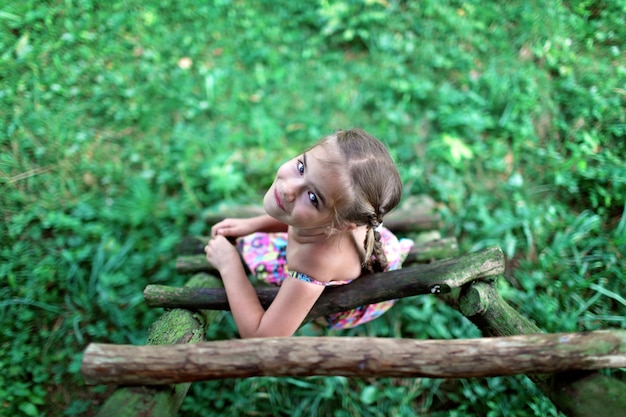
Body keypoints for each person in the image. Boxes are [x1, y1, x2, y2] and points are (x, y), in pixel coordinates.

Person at [204, 128, 413, 338]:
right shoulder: (332, 218)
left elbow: (260, 336)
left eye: (313, 198)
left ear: (341, 225)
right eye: (302, 167)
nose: (289, 189)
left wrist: (229, 265)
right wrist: (254, 225)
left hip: (336, 289)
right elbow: (299, 220)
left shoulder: (313, 262)